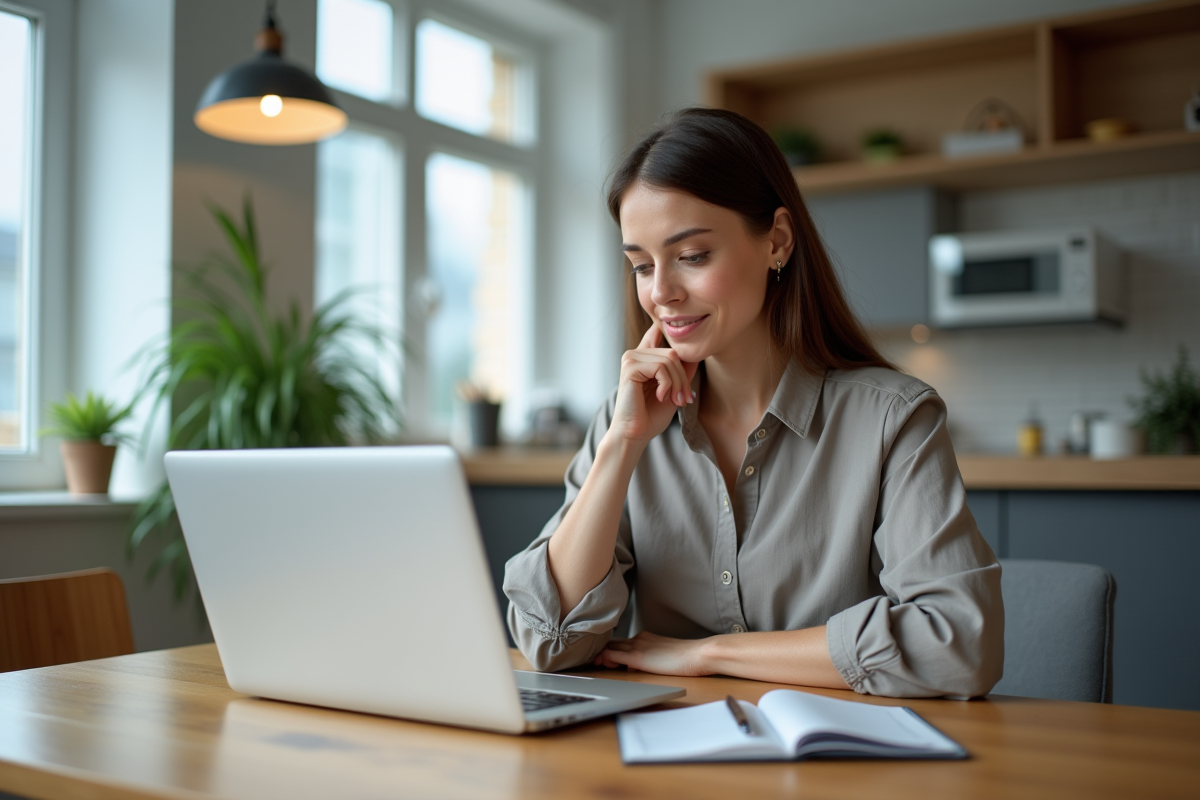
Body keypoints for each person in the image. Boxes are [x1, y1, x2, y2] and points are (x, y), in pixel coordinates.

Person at [503, 108, 1003, 698]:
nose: (660, 292)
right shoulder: (626, 422)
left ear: (777, 242)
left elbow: (959, 644)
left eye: (691, 256)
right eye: (641, 264)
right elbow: (550, 642)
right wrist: (621, 446)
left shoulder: (893, 420)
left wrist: (710, 654)